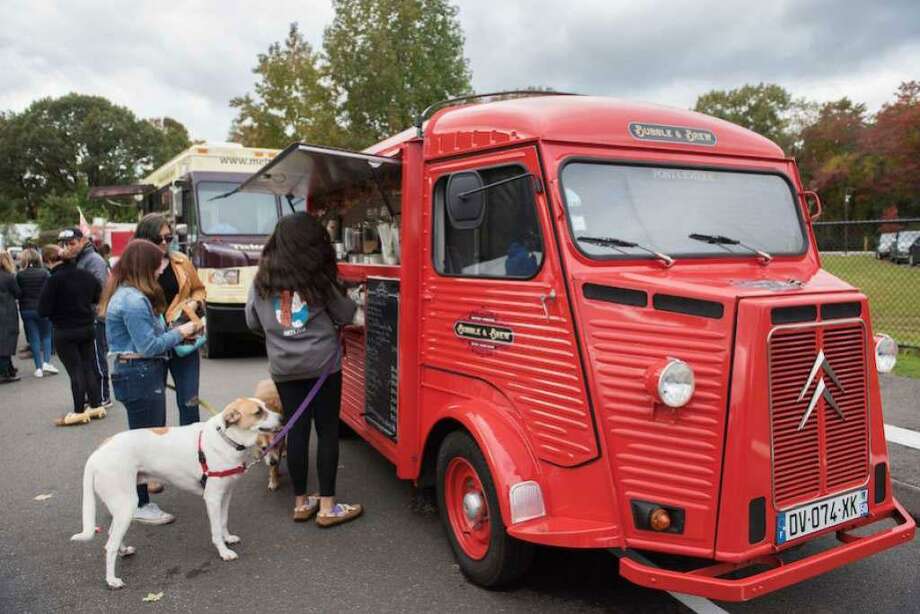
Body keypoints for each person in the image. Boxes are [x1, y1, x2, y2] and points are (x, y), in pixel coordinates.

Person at [245, 212, 361, 526]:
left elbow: (252, 322)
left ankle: (300, 503)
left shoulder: (261, 282)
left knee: (296, 430)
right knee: (326, 433)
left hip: (284, 368)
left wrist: (282, 335)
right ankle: (327, 507)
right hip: (323, 367)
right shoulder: (318, 281)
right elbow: (347, 313)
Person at [101, 239, 201, 525]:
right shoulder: (133, 300)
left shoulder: (126, 294)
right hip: (140, 373)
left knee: (140, 442)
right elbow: (149, 346)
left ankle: (135, 500)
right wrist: (182, 331)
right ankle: (139, 504)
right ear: (144, 266)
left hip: (137, 373)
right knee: (143, 446)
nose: (161, 269)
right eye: (157, 264)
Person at [133, 213, 207, 425]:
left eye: (169, 238)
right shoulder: (136, 267)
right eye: (158, 239)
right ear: (144, 239)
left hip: (184, 341)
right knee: (154, 408)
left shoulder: (181, 261)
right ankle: (160, 453)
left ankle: (193, 453)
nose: (164, 243)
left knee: (189, 402)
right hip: (152, 344)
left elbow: (199, 290)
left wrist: (193, 304)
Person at [37, 244, 105, 426]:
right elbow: (98, 295)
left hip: (64, 330)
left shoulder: (54, 280)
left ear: (50, 261)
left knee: (75, 371)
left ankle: (78, 411)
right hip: (87, 327)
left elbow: (42, 310)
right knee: (88, 366)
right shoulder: (85, 275)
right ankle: (96, 405)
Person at [58, 228, 111, 408]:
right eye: (64, 244)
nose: (68, 248)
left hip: (94, 317)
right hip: (82, 318)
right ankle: (93, 395)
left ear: (82, 241)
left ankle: (103, 396)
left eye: (72, 243)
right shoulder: (79, 260)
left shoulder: (94, 260)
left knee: (97, 359)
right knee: (87, 361)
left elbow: (101, 290)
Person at [16, 248, 57, 378]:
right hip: (43, 308)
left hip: (26, 309)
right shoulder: (44, 273)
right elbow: (51, 289)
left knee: (33, 338)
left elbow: (18, 292)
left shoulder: (20, 275)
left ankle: (38, 368)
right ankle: (46, 362)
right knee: (46, 336)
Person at [0, 251, 21, 383]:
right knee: (6, 342)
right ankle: (4, 373)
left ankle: (9, 368)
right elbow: (18, 293)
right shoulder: (8, 277)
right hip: (6, 312)